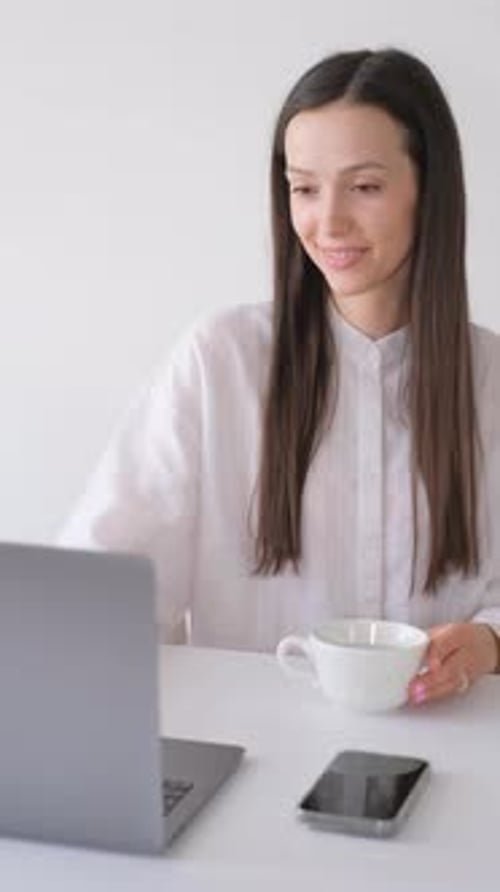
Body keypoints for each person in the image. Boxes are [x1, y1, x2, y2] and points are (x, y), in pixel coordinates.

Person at [60, 47, 500, 705]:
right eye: (304, 187)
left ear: (428, 189)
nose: (328, 222)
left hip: (454, 763)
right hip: (253, 763)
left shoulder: (490, 377)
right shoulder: (220, 360)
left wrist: (489, 643)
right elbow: (97, 589)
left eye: (366, 186)